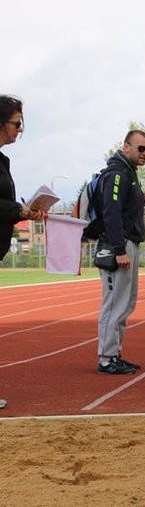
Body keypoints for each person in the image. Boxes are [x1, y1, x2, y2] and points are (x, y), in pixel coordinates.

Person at [0, 95, 46, 408]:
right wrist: (18, 208)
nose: (20, 129)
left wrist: (24, 212)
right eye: (17, 123)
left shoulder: (3, 161)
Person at [96, 129, 145, 374]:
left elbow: (124, 206)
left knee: (126, 304)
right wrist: (119, 249)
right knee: (114, 304)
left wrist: (141, 199)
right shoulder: (117, 173)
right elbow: (112, 212)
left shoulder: (129, 174)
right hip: (119, 245)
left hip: (130, 243)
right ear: (126, 147)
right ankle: (107, 358)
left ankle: (115, 353)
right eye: (141, 148)